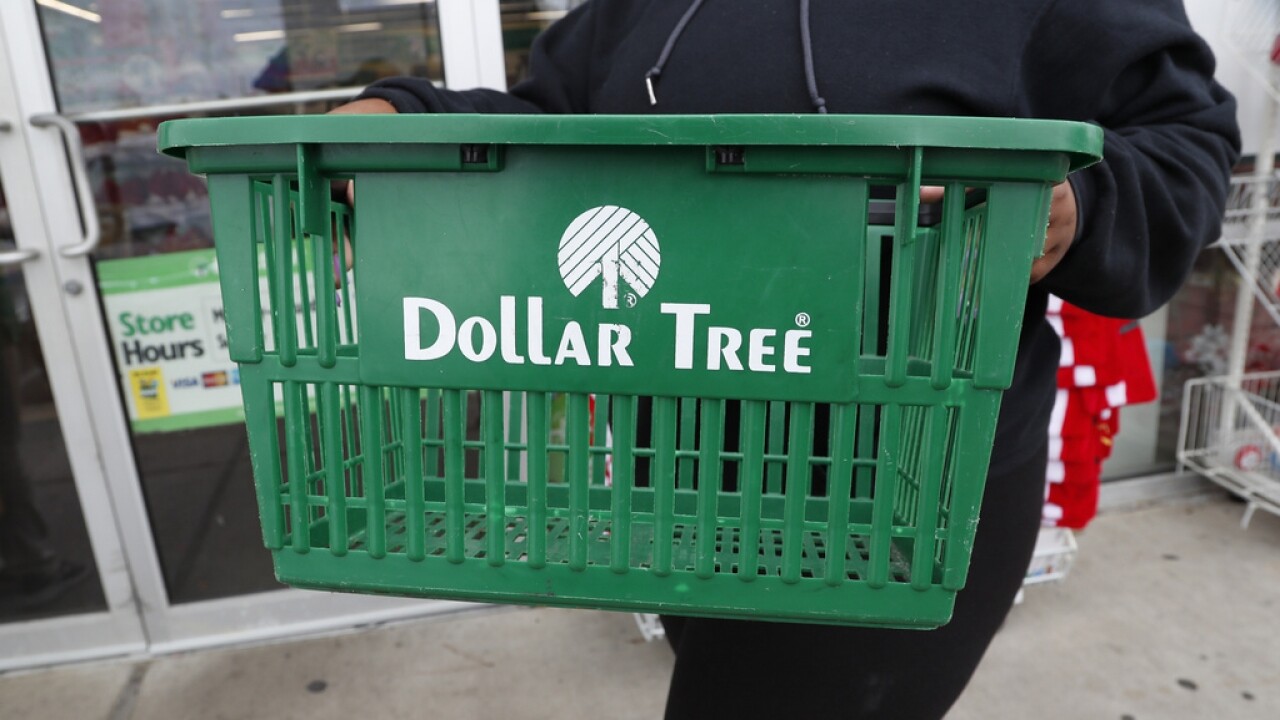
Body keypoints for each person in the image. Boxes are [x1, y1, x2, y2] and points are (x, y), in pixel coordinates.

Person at [330, 1, 1240, 717]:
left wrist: (1080, 202)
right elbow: (551, 120)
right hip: (678, 477)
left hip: (898, 497)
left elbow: (1186, 144)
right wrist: (409, 113)